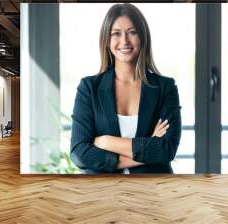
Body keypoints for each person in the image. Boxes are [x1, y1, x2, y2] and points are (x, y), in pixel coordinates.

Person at [70, 3, 181, 174]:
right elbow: (79, 152)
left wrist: (106, 142)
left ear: (142, 37)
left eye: (132, 32)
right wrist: (148, 147)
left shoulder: (165, 88)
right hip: (102, 193)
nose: (125, 41)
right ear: (107, 41)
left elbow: (167, 149)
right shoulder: (89, 88)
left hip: (154, 191)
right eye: (116, 33)